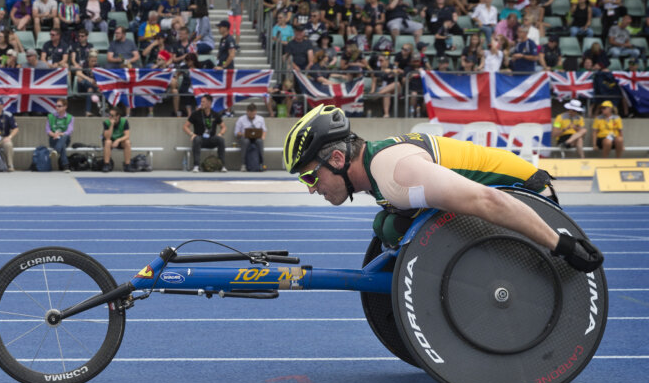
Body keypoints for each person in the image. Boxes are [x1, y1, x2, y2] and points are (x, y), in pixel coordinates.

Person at [281, 105, 603, 272]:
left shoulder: (396, 175)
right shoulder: (375, 170)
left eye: (310, 177)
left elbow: (487, 199)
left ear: (337, 158)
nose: (311, 189)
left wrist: (561, 243)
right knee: (389, 226)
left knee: (394, 224)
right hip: (502, 195)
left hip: (528, 195)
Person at [183, 94, 227, 173]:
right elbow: (185, 127)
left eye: (203, 102)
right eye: (201, 102)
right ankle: (196, 166)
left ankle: (222, 165)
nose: (201, 103)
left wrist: (220, 134)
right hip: (200, 139)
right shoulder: (196, 114)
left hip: (211, 138)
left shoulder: (215, 114)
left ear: (209, 103)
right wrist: (192, 134)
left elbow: (224, 127)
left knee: (221, 140)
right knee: (196, 139)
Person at [235, 102, 266, 172]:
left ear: (256, 112)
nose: (252, 115)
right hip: (244, 138)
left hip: (257, 138)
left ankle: (261, 164)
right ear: (247, 112)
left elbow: (264, 130)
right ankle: (243, 164)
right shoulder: (241, 119)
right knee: (246, 141)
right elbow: (236, 132)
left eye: (253, 113)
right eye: (250, 113)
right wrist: (244, 134)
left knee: (260, 141)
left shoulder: (260, 119)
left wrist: (263, 137)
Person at [101, 106, 132, 172]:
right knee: (108, 142)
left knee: (127, 142)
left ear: (118, 116)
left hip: (119, 141)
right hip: (110, 141)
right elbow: (107, 137)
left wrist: (118, 140)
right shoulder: (106, 122)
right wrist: (111, 125)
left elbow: (127, 136)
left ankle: (127, 165)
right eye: (109, 115)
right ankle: (106, 164)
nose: (110, 117)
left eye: (112, 115)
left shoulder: (124, 122)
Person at [46, 98, 73, 171]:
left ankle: (56, 150)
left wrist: (59, 134)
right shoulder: (51, 116)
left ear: (65, 107)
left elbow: (69, 131)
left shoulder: (70, 117)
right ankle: (66, 166)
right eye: (56, 106)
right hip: (53, 139)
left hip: (65, 139)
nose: (57, 107)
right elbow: (48, 130)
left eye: (59, 106)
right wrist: (54, 135)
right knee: (62, 145)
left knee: (64, 137)